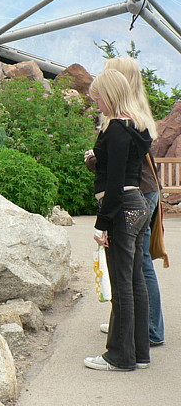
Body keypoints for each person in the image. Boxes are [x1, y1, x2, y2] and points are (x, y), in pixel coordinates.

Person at [85, 56, 165, 347]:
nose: (97, 103)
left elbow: (117, 179)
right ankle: (139, 341)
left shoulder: (118, 128)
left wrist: (102, 224)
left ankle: (123, 350)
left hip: (128, 199)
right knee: (135, 275)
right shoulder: (138, 121)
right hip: (139, 199)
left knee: (128, 277)